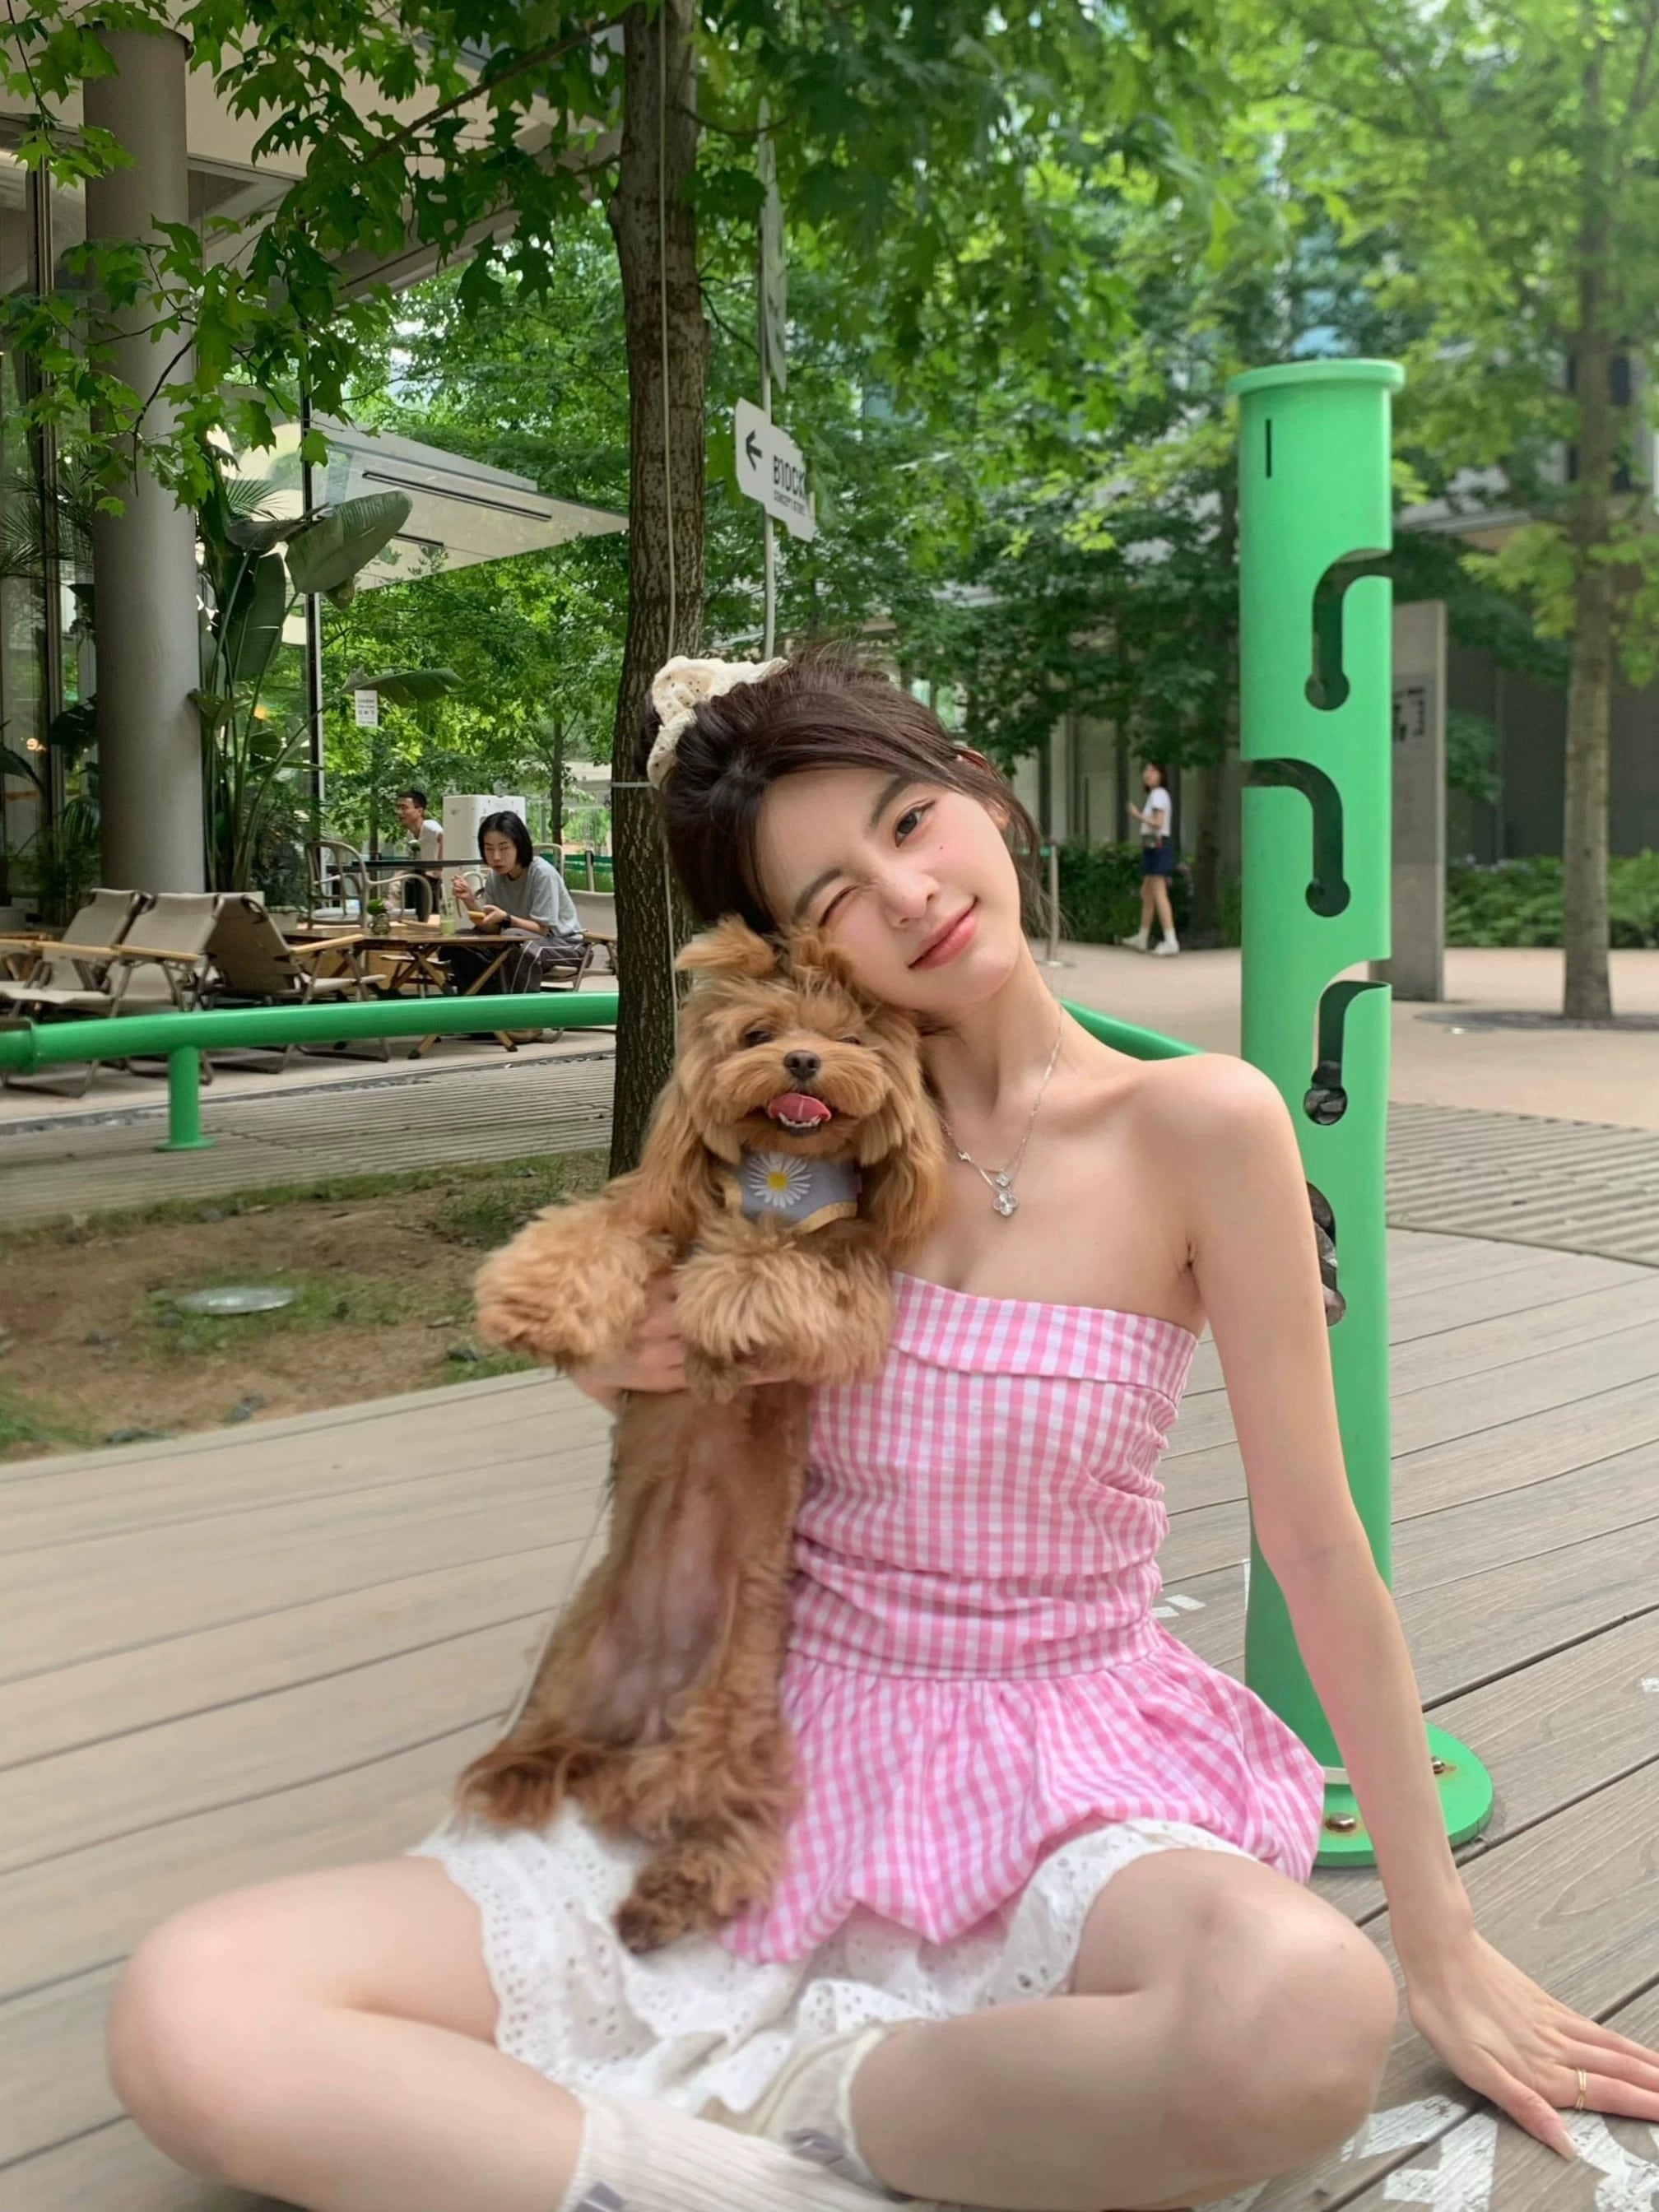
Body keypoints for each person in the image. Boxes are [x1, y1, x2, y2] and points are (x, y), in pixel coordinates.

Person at [107, 652, 1659, 2212]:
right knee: (199, 2009)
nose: (910, 895)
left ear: (982, 792)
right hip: (763, 1744)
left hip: (1063, 1763)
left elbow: (1317, 1549)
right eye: (836, 893)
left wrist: (1440, 1936)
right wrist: (621, 1358)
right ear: (789, 946)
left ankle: (788, 2100)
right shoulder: (801, 1131)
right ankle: (744, 2181)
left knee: (1301, 2013)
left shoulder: (1201, 1126)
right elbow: (655, 1325)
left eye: (912, 822)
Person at [448, 810, 585, 1001]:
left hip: (563, 944)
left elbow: (542, 930)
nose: (496, 857)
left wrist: (507, 919)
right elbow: (493, 929)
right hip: (514, 940)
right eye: (489, 849)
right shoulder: (495, 877)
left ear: (519, 846)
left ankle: (520, 1015)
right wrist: (469, 900)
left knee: (520, 948)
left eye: (504, 848)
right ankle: (481, 1009)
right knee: (462, 943)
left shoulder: (542, 874)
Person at [1120, 763, 1178, 956]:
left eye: (1153, 771)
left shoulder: (1158, 794)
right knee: (1147, 892)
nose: (1147, 774)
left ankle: (1171, 940)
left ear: (1162, 775)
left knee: (1159, 893)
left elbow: (1158, 822)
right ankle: (1143, 937)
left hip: (1157, 846)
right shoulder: (1156, 795)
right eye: (1146, 770)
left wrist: (1137, 815)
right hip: (1153, 846)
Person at [394, 789, 444, 922]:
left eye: (404, 808)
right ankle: (397, 918)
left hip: (433, 878)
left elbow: (444, 837)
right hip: (420, 875)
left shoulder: (429, 825)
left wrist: (439, 867)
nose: (399, 812)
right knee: (395, 882)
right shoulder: (410, 834)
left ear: (420, 811)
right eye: (398, 808)